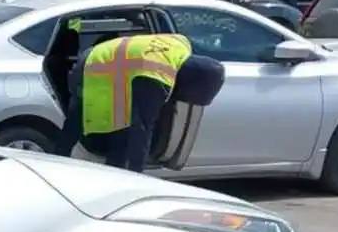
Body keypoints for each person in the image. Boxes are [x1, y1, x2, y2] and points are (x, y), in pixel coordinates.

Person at [52, 30, 226, 173]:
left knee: (115, 125)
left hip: (102, 57)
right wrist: (137, 174)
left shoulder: (181, 44)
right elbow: (141, 129)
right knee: (92, 122)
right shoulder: (157, 76)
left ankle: (58, 162)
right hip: (94, 66)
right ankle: (61, 166)